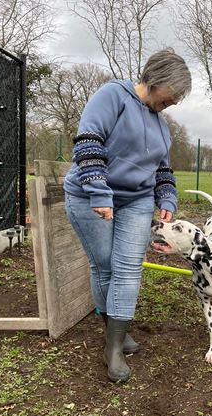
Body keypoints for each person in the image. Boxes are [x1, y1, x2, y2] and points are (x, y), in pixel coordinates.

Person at [63, 48, 191, 383]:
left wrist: (167, 196)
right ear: (156, 79)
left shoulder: (161, 125)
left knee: (128, 267)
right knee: (104, 265)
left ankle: (115, 345)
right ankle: (113, 334)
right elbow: (89, 143)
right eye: (173, 94)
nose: (175, 101)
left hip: (136, 201)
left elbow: (162, 168)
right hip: (90, 195)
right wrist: (99, 191)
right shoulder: (112, 95)